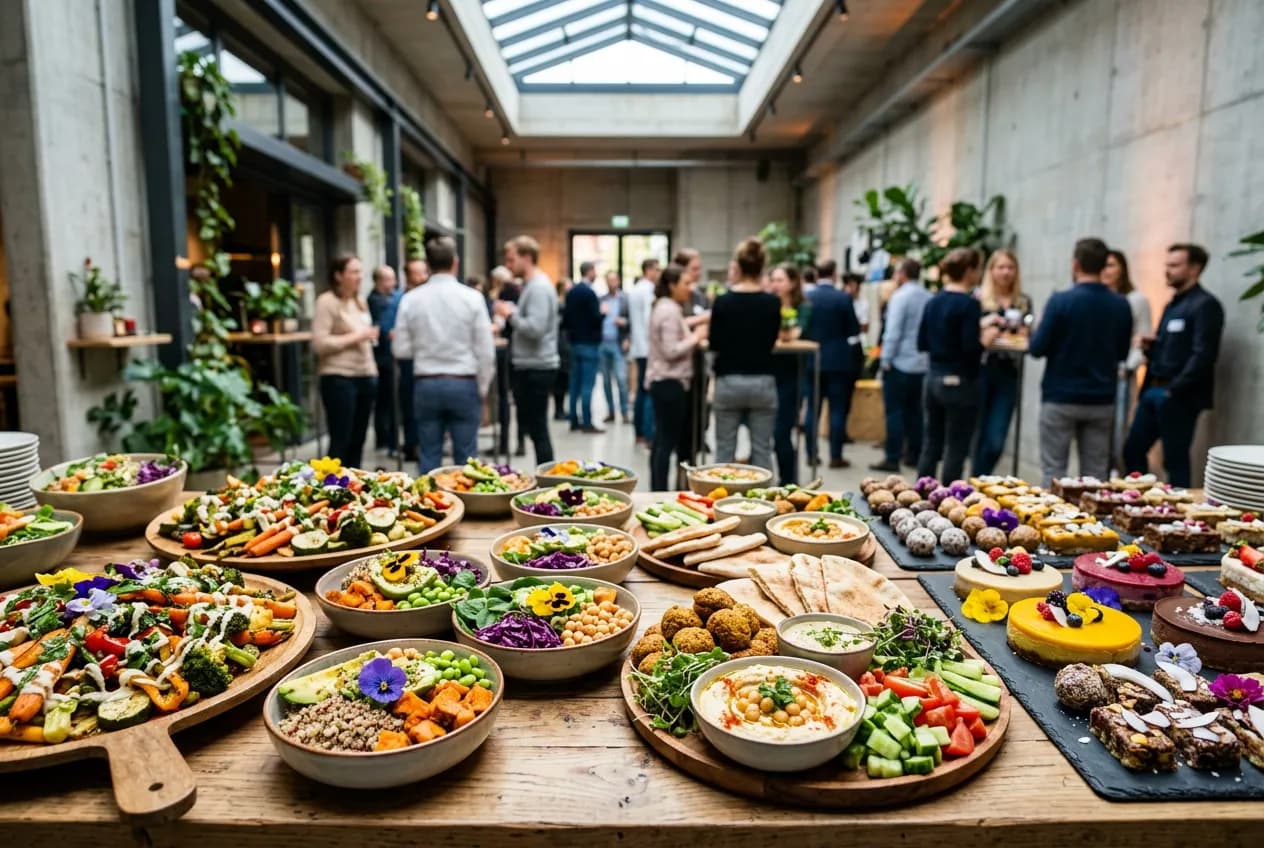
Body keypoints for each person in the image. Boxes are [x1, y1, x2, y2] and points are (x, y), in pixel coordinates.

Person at [1028, 238, 1133, 485]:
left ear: (1075, 264)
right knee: (1096, 477)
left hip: (1060, 397)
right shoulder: (1120, 304)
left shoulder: (1060, 301)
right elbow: (1122, 354)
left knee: (1053, 472)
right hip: (1101, 399)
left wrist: (1037, 328)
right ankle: (1092, 523)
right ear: (1103, 266)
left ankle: (1050, 523)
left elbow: (1037, 348)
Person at [1123, 243, 1224, 487]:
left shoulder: (1205, 305)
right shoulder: (1172, 304)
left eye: (1175, 265)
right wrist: (1152, 346)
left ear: (1195, 269)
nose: (1167, 270)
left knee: (1175, 461)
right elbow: (1174, 346)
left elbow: (1203, 355)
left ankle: (1178, 519)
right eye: (1167, 265)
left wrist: (1174, 390)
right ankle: (1140, 503)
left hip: (1178, 395)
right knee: (1132, 450)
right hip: (1152, 390)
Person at [394, 237, 494, 474]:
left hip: (426, 382)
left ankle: (428, 507)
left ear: (427, 265)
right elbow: (485, 350)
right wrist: (482, 387)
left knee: (429, 453)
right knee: (466, 459)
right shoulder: (472, 298)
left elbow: (400, 349)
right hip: (463, 381)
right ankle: (468, 508)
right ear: (455, 263)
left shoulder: (411, 299)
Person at [916, 248, 994, 483]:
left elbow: (921, 342)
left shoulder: (933, 301)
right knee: (956, 447)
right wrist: (985, 341)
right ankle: (948, 500)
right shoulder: (969, 305)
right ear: (969, 271)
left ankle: (920, 494)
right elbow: (970, 348)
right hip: (961, 382)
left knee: (931, 443)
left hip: (933, 378)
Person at [709, 238, 780, 470]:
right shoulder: (772, 303)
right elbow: (771, 341)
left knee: (724, 450)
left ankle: (720, 501)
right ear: (762, 267)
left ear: (738, 266)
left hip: (729, 381)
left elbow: (714, 342)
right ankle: (765, 503)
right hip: (762, 381)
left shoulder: (723, 302)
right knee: (762, 449)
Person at [494, 236, 560, 465]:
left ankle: (547, 483)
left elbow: (535, 329)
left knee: (538, 429)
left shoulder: (539, 288)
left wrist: (510, 315)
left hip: (536, 367)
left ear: (527, 258)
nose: (508, 265)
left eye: (512, 259)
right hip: (531, 364)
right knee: (535, 427)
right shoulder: (533, 286)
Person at [313, 254, 378, 470]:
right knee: (341, 439)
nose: (359, 277)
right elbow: (320, 343)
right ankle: (332, 489)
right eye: (354, 272)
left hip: (365, 376)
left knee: (359, 440)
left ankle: (354, 487)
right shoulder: (326, 302)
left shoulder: (359, 301)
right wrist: (357, 337)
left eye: (360, 271)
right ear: (338, 276)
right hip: (339, 378)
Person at [972, 249, 1034, 476]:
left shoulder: (1023, 301)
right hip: (981, 369)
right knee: (977, 433)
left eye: (1010, 267)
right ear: (991, 271)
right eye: (1001, 267)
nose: (1006, 272)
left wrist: (1024, 335)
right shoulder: (979, 298)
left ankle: (981, 478)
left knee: (996, 438)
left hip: (1009, 371)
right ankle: (974, 484)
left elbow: (1028, 334)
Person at [647, 264, 708, 490]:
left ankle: (659, 487)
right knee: (666, 442)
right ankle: (660, 491)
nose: (690, 289)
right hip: (669, 382)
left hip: (664, 381)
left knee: (662, 440)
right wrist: (696, 337)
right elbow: (671, 350)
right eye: (685, 284)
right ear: (672, 285)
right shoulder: (669, 310)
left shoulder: (667, 307)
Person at [802, 264, 863, 470]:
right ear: (835, 274)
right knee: (837, 410)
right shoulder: (842, 297)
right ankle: (835, 455)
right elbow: (853, 328)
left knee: (812, 408)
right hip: (839, 360)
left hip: (813, 358)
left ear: (817, 274)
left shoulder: (807, 297)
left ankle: (811, 454)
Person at [872, 258, 930, 472]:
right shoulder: (928, 296)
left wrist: (885, 360)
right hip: (922, 363)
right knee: (916, 412)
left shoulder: (900, 297)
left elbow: (893, 331)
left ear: (903, 274)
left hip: (899, 363)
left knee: (894, 412)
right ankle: (914, 455)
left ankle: (892, 456)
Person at [1102, 249, 1151, 465]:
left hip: (1121, 373)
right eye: (1102, 265)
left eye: (1111, 264)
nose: (1106, 270)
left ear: (1122, 268)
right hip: (1096, 375)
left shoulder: (1136, 300)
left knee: (1117, 432)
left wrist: (1127, 365)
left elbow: (1143, 339)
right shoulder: (1096, 299)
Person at [770, 263, 808, 484]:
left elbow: (794, 333)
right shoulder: (769, 304)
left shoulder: (803, 307)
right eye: (773, 279)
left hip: (791, 377)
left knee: (782, 433)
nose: (775, 285)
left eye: (780, 280)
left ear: (792, 283)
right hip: (767, 375)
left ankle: (789, 482)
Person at [563, 262, 604, 433]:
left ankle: (573, 419)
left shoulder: (571, 292)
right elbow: (595, 317)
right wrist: (603, 314)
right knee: (588, 384)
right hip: (589, 343)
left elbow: (565, 318)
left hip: (574, 343)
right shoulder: (589, 293)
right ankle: (587, 422)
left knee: (574, 384)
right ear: (590, 272)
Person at [395, 258, 428, 462]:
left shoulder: (428, 297)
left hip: (426, 362)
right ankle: (411, 444)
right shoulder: (403, 299)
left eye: (423, 272)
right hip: (409, 362)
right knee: (409, 405)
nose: (421, 277)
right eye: (416, 272)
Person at [367, 264, 400, 454]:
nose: (392, 283)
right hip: (380, 358)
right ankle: (384, 440)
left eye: (393, 279)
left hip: (389, 356)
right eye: (388, 279)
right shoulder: (375, 301)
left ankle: (388, 440)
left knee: (388, 400)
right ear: (378, 281)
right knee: (383, 401)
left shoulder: (391, 298)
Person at [628, 258, 660, 448]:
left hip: (639, 347)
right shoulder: (648, 290)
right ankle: (649, 434)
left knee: (640, 390)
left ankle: (639, 432)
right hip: (648, 347)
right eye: (656, 269)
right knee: (648, 391)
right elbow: (651, 319)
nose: (658, 273)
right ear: (648, 270)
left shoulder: (635, 290)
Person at [598, 271, 630, 424]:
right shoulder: (601, 300)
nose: (612, 282)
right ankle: (610, 411)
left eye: (614, 280)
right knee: (605, 380)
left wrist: (627, 335)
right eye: (609, 280)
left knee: (621, 379)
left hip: (618, 343)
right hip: (603, 343)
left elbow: (632, 321)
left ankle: (624, 411)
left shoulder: (625, 299)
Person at [552, 277, 572, 421]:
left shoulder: (566, 303)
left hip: (564, 343)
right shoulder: (558, 304)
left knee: (563, 378)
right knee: (560, 378)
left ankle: (561, 408)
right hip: (560, 344)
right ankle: (558, 409)